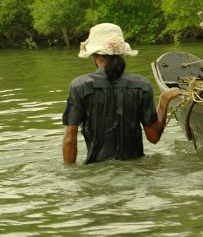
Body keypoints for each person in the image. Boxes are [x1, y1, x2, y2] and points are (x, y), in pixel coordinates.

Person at [62, 23, 181, 164]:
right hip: (137, 173)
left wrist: (70, 175)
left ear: (94, 55)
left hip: (97, 175)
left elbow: (70, 139)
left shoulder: (80, 86)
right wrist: (163, 100)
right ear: (123, 53)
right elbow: (154, 137)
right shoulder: (142, 85)